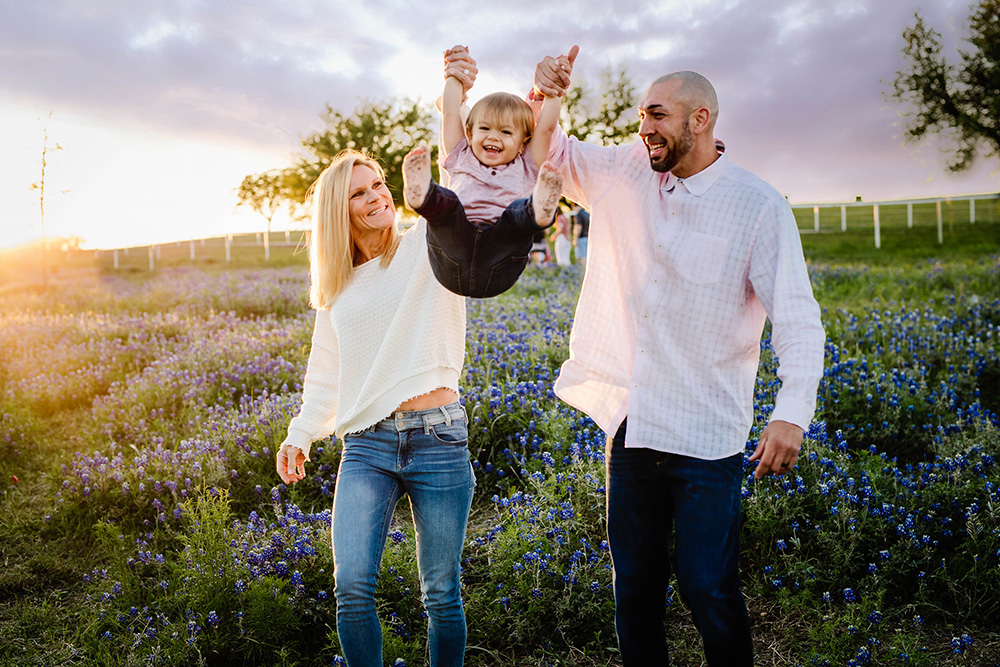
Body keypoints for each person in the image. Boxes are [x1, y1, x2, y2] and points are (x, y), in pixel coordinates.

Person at [533, 50, 826, 666]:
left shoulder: (758, 205)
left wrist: (792, 412)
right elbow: (553, 154)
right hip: (633, 427)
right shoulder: (626, 172)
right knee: (634, 589)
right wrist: (547, 94)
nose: (644, 127)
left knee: (707, 587)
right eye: (641, 114)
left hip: (707, 434)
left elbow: (798, 319)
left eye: (657, 115)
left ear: (700, 119)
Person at [275, 150, 474, 667]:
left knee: (440, 593)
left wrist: (453, 94)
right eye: (359, 193)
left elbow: (464, 189)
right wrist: (300, 433)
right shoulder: (336, 290)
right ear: (337, 213)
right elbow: (325, 376)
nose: (377, 196)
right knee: (352, 589)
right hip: (367, 444)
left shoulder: (427, 246)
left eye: (379, 184)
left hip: (440, 437)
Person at [401, 45, 572, 298]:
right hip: (451, 256)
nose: (494, 136)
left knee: (515, 217)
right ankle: (423, 194)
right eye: (485, 129)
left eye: (506, 132)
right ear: (470, 133)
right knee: (448, 208)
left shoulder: (527, 164)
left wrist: (554, 92)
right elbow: (450, 111)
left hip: (500, 261)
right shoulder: (460, 154)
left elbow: (545, 128)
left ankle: (539, 210)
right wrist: (454, 78)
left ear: (524, 141)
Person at [570, 202, 589, 268]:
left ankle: (583, 272)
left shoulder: (578, 214)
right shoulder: (587, 214)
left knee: (582, 257)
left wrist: (575, 239)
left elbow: (578, 227)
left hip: (581, 238)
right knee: (587, 256)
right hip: (587, 238)